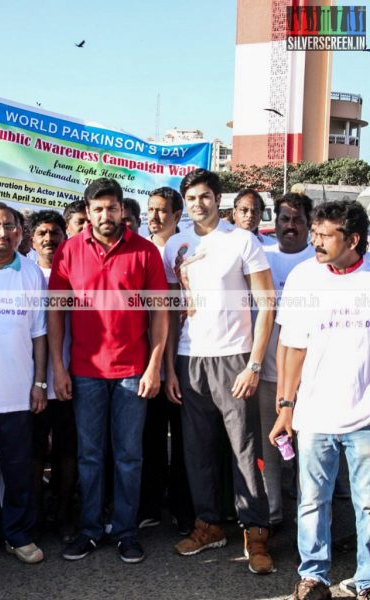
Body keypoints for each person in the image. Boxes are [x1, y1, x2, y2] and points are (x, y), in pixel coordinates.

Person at [48, 178, 168, 564]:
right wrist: (57, 368)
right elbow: (55, 314)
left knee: (130, 455)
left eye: (112, 207)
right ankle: (90, 530)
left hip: (133, 370)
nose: (106, 215)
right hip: (85, 371)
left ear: (121, 209)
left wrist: (154, 366)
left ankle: (126, 531)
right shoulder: (68, 251)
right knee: (90, 455)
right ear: (88, 211)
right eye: (98, 209)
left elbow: (160, 315)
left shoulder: (146, 252)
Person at [164, 168, 276, 574]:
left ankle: (256, 531)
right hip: (189, 360)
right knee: (196, 451)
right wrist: (170, 368)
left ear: (218, 198)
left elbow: (267, 304)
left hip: (235, 358)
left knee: (245, 451)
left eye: (206, 196)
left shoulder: (242, 241)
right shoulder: (176, 244)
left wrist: (254, 364)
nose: (199, 203)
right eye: (192, 198)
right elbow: (172, 310)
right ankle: (208, 524)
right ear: (185, 203)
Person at [269, 200, 370, 600]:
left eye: (326, 235)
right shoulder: (303, 277)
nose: (316, 241)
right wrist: (285, 408)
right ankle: (314, 577)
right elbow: (292, 348)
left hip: (365, 419)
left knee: (367, 506)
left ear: (354, 239)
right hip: (313, 416)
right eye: (316, 233)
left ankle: (366, 581)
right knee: (312, 503)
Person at [0, 202, 47, 570]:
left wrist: (39, 383)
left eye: (11, 226)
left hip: (18, 396)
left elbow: (40, 335)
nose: (4, 233)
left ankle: (18, 535)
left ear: (21, 230)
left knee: (19, 473)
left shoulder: (32, 274)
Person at [138, 187, 194, 534]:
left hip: (179, 356)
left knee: (184, 436)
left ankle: (182, 507)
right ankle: (150, 505)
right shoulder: (140, 249)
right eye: (151, 210)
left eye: (162, 211)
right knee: (151, 435)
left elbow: (172, 313)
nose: (155, 217)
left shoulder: (183, 250)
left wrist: (168, 364)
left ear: (177, 216)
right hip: (142, 358)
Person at [258, 192, 314, 528]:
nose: (289, 226)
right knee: (271, 448)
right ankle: (273, 516)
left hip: (312, 380)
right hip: (266, 373)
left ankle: (309, 521)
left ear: (309, 224)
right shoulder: (261, 257)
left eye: (297, 220)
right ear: (274, 223)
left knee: (309, 453)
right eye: (283, 219)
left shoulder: (318, 261)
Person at [30, 210, 78, 542]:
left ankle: (63, 515)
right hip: (31, 383)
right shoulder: (25, 275)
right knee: (32, 453)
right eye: (42, 233)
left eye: (55, 232)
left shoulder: (75, 272)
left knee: (68, 451)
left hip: (70, 379)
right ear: (31, 239)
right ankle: (32, 517)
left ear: (65, 236)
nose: (49, 239)